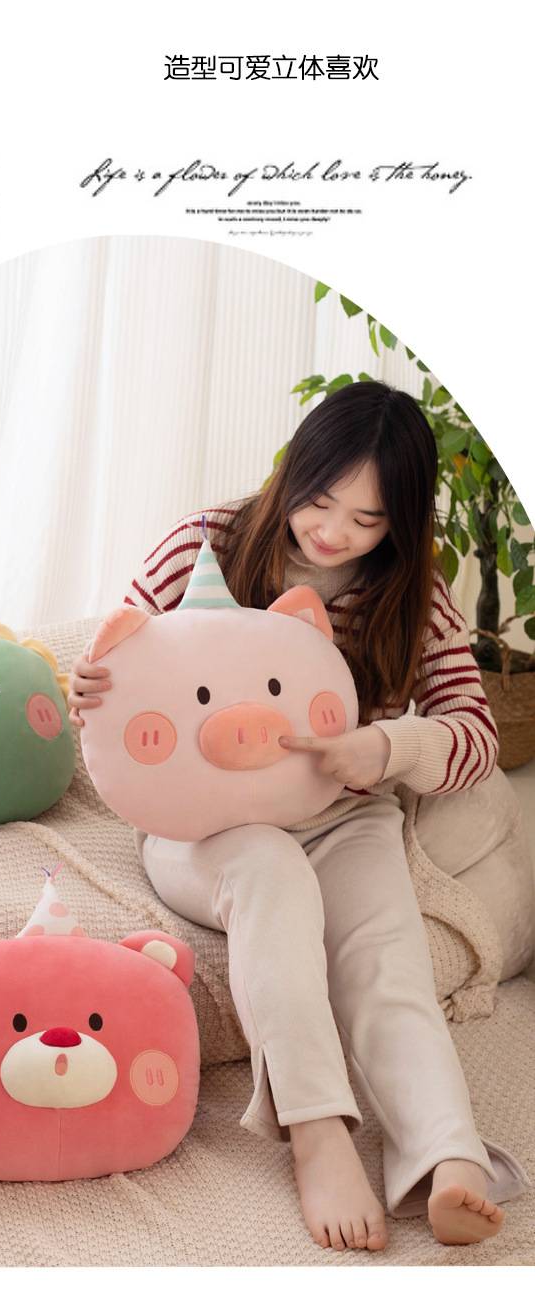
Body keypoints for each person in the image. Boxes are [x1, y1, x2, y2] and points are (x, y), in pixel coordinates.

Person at [68, 380, 528, 1253]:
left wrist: (384, 749)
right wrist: (86, 685)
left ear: (401, 521)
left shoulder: (412, 595)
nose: (333, 532)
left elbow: (475, 733)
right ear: (292, 472)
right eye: (320, 500)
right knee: (271, 878)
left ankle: (449, 1157)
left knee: (386, 955)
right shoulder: (204, 542)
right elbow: (115, 670)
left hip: (344, 815)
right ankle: (317, 1133)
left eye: (368, 519)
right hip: (204, 825)